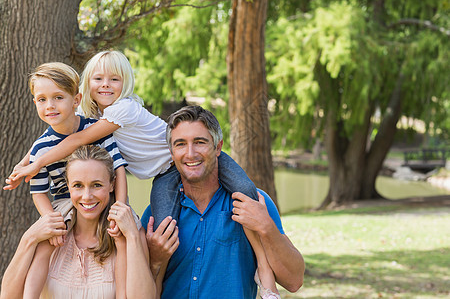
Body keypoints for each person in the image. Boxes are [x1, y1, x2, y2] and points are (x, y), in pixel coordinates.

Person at [6, 51, 281, 295]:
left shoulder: (123, 109)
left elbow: (75, 141)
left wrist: (35, 165)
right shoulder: (86, 114)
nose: (105, 85)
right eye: (98, 79)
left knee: (246, 197)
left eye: (114, 79)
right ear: (86, 84)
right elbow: (51, 137)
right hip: (166, 176)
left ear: (125, 82)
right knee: (162, 230)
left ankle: (265, 273)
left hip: (182, 159)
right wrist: (25, 163)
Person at [142, 106, 305, 299]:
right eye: (180, 144)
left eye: (200, 142)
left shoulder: (254, 205)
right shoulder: (155, 216)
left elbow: (294, 281)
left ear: (218, 147)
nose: (190, 153)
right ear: (171, 152)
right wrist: (155, 261)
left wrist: (266, 227)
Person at [3, 62, 130, 297]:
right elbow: (39, 191)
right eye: (42, 99)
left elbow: (119, 169)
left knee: (125, 238)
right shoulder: (40, 148)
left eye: (58, 97)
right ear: (35, 103)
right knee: (46, 241)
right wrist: (49, 219)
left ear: (76, 99)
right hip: (63, 201)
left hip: (103, 196)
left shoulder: (95, 129)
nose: (50, 106)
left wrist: (120, 206)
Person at [0, 145, 155, 299]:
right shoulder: (54, 226)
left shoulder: (128, 232)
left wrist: (133, 237)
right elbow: (8, 296)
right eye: (78, 185)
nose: (87, 196)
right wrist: (29, 238)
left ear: (112, 185)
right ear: (68, 186)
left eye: (97, 185)